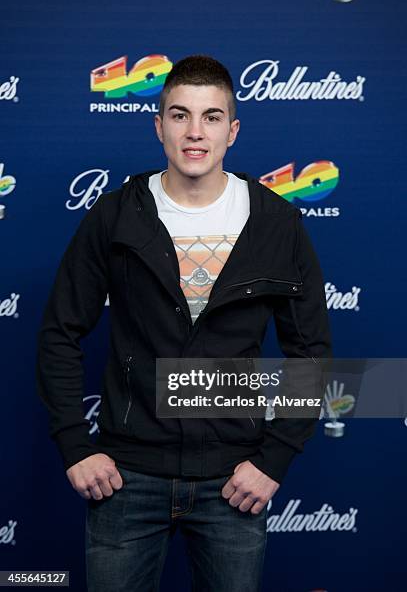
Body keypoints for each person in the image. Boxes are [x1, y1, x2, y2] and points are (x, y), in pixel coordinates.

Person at [36, 54, 332, 592]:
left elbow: (310, 350)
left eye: (212, 117)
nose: (195, 133)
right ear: (159, 126)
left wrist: (275, 457)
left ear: (232, 130)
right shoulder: (116, 215)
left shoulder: (277, 224)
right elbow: (59, 332)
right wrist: (76, 445)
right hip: (126, 481)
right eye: (180, 115)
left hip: (233, 483)